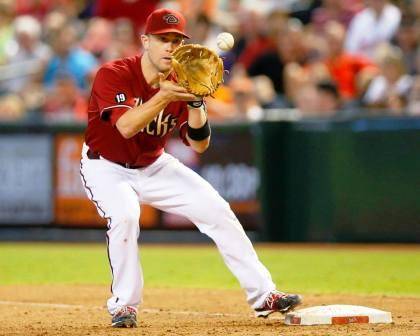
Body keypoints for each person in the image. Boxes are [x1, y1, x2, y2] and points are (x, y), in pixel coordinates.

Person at [79, 8, 301, 328]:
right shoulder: (114, 73)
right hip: (106, 166)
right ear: (146, 41)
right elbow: (125, 127)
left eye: (176, 40)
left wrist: (197, 103)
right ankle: (124, 305)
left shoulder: (182, 80)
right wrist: (163, 96)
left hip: (154, 164)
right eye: (163, 39)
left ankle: (264, 294)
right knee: (126, 216)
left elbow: (199, 144)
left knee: (217, 210)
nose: (170, 46)